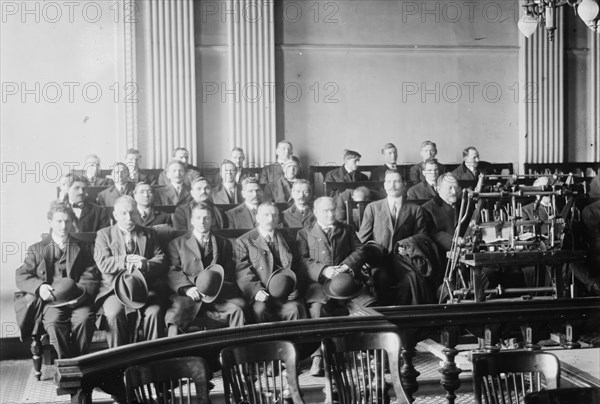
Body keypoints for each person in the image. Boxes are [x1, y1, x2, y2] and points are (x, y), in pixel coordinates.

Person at [296, 197, 375, 376]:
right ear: (316, 213)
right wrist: (324, 270)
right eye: (326, 211)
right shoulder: (304, 233)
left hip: (346, 281)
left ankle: (369, 352)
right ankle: (319, 356)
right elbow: (302, 260)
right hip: (319, 284)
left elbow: (360, 250)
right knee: (317, 309)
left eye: (333, 210)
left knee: (367, 305)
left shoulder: (347, 229)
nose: (331, 214)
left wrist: (346, 266)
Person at [15, 202, 100, 359]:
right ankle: (67, 362)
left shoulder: (83, 246)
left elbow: (91, 273)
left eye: (67, 221)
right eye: (59, 221)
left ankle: (80, 361)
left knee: (85, 319)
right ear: (50, 222)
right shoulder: (37, 249)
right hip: (51, 303)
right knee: (53, 322)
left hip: (78, 300)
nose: (64, 226)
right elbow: (21, 275)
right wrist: (40, 287)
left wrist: (80, 295)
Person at [94, 196, 168, 347]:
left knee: (155, 312)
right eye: (123, 213)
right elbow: (103, 263)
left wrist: (146, 263)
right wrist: (125, 260)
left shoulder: (150, 233)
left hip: (144, 288)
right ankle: (118, 361)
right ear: (115, 215)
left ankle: (153, 359)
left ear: (138, 213)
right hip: (114, 289)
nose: (129, 217)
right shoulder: (104, 234)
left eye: (132, 213)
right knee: (114, 314)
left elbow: (161, 259)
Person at [165, 202, 247, 336]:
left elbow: (229, 272)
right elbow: (173, 271)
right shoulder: (177, 244)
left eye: (206, 218)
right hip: (188, 296)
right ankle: (174, 354)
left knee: (238, 309)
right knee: (175, 318)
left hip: (217, 295)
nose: (202, 222)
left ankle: (235, 351)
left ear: (212, 220)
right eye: (198, 218)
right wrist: (188, 289)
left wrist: (214, 288)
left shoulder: (224, 243)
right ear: (191, 220)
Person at [358, 170, 426, 304]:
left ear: (404, 184)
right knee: (381, 279)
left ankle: (402, 316)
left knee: (411, 281)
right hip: (380, 259)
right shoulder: (373, 208)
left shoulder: (415, 209)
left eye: (396, 181)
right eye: (388, 182)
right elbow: (362, 239)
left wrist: (408, 247)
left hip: (405, 260)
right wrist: (363, 258)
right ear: (384, 185)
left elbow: (421, 237)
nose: (392, 185)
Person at [235, 202, 307, 322]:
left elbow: (299, 267)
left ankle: (294, 341)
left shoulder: (289, 238)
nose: (270, 219)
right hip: (261, 295)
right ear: (257, 217)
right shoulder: (244, 241)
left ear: (279, 218)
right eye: (266, 215)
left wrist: (296, 288)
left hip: (285, 293)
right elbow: (242, 272)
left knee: (296, 308)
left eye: (274, 215)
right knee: (260, 310)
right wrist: (256, 291)